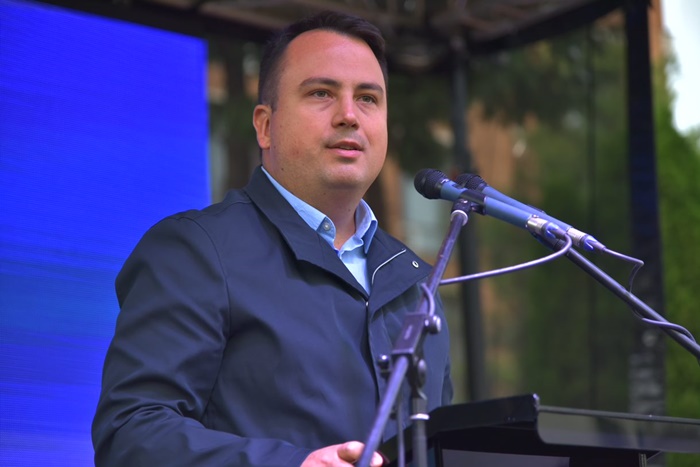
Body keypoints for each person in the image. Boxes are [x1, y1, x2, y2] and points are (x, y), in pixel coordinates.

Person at [92, 10, 452, 467]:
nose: (349, 115)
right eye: (321, 93)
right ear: (264, 125)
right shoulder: (196, 250)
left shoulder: (417, 283)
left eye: (368, 98)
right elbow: (131, 433)